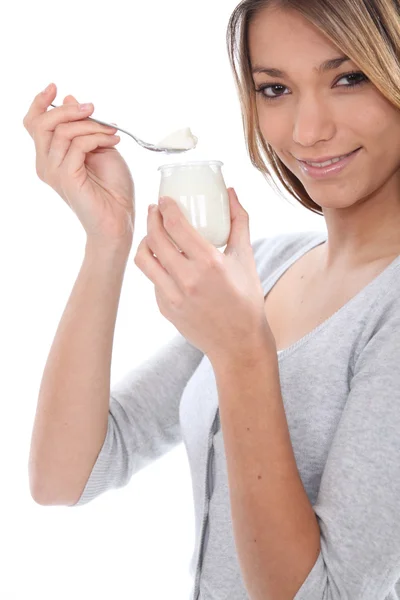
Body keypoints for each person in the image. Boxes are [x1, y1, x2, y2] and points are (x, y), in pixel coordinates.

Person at [24, 0, 400, 598]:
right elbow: (67, 475)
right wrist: (107, 237)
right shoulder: (272, 267)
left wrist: (243, 354)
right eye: (275, 89)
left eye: (348, 78)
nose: (307, 131)